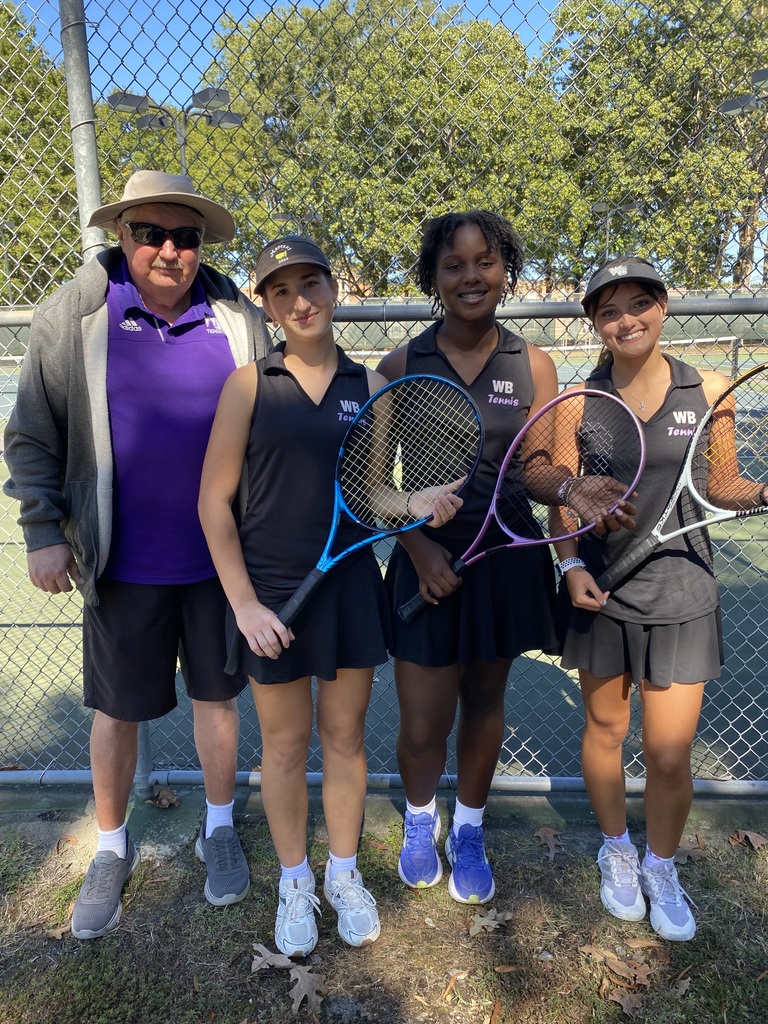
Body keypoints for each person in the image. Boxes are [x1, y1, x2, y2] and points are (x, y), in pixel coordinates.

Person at [3, 170, 271, 939]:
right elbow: (31, 433)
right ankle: (111, 848)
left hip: (222, 566)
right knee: (115, 713)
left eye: (184, 237)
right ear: (120, 236)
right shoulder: (76, 312)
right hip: (118, 563)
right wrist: (43, 530)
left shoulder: (236, 318)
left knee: (219, 703)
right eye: (149, 233)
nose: (167, 250)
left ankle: (218, 828)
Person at [198, 235, 462, 955]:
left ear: (334, 287)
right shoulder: (248, 385)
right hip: (271, 595)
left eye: (310, 283)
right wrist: (245, 605)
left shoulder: (370, 387)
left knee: (344, 739)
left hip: (346, 589)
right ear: (268, 305)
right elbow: (214, 504)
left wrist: (415, 500)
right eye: (281, 291)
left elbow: (370, 495)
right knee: (283, 746)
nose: (300, 301)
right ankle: (295, 881)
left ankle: (342, 874)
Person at [378, 210, 576, 905]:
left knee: (485, 701)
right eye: (454, 265)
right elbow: (374, 489)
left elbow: (542, 469)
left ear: (505, 270)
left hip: (506, 559)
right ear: (433, 278)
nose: (471, 276)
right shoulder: (402, 364)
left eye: (484, 262)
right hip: (425, 561)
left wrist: (577, 487)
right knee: (422, 721)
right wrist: (418, 546)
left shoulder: (534, 364)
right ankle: (419, 819)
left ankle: (469, 827)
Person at [554, 255, 754, 942]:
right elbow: (565, 497)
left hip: (683, 593)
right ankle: (617, 851)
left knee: (669, 754)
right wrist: (571, 564)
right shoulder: (579, 403)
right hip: (602, 594)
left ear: (663, 309)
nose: (626, 319)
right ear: (595, 324)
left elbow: (722, 485)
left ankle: (660, 865)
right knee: (605, 733)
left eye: (639, 303)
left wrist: (759, 494)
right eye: (609, 310)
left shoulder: (712, 389)